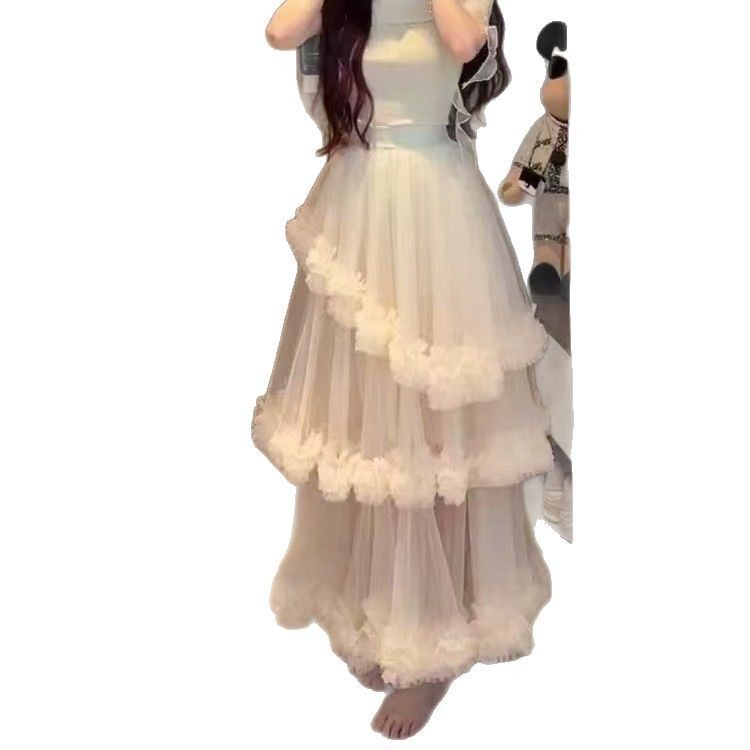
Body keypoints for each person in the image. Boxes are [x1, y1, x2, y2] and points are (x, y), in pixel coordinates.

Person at [252, 0, 555, 739]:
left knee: (440, 434)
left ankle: (434, 647)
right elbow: (281, 31)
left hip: (436, 210)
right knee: (372, 429)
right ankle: (390, 609)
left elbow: (463, 40)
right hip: (359, 208)